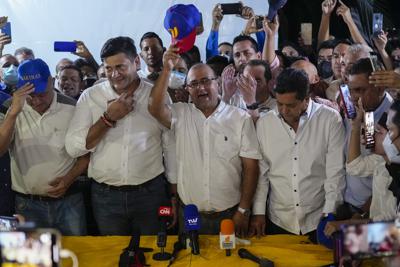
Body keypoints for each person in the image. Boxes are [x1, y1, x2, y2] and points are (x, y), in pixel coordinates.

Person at [65, 36, 175, 235]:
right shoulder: (91, 96)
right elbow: (73, 147)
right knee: (113, 256)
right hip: (106, 197)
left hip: (151, 194)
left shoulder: (157, 95)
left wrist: (174, 194)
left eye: (120, 67)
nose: (114, 74)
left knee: (155, 255)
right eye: (108, 69)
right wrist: (107, 119)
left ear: (136, 62)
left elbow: (170, 147)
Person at [148, 45, 261, 236]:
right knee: (192, 260)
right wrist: (167, 68)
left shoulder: (239, 118)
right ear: (187, 89)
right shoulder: (180, 114)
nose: (200, 87)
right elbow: (154, 107)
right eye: (194, 84)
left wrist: (243, 209)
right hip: (191, 215)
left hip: (230, 214)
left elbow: (251, 168)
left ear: (217, 83)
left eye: (205, 81)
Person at [250, 68, 345, 241]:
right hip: (279, 220)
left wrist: (329, 212)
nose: (284, 111)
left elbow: (335, 173)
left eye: (291, 105)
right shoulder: (265, 123)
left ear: (306, 99)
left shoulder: (330, 120)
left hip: (318, 219)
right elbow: (262, 174)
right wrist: (258, 212)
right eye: (279, 104)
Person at [0, 58, 88, 235]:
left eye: (42, 94)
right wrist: (13, 114)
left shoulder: (73, 107)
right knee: (33, 260)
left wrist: (68, 179)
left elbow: (86, 153)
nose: (37, 101)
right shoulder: (9, 108)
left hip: (69, 201)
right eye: (30, 95)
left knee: (77, 253)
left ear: (52, 81)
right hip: (27, 204)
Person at [341, 58, 393, 220]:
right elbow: (353, 166)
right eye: (351, 90)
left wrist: (362, 214)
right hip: (347, 206)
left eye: (360, 90)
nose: (354, 97)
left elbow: (390, 182)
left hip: (374, 216)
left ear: (380, 88)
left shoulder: (393, 120)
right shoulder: (354, 112)